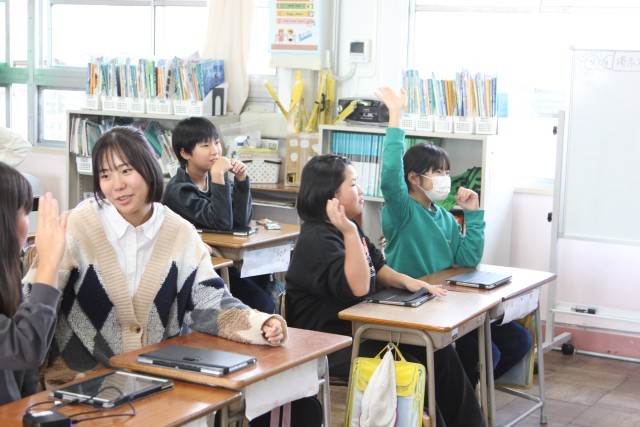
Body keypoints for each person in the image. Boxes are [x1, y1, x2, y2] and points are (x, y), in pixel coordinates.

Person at [23, 126, 286, 387]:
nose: (117, 185)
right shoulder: (76, 227)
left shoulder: (180, 232)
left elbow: (209, 301)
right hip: (79, 383)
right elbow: (30, 304)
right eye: (105, 175)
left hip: (156, 381)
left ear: (149, 169)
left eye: (126, 170)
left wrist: (260, 324)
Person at [285, 154, 485, 427]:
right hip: (330, 342)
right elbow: (359, 286)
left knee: (439, 353)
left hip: (362, 330)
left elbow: (378, 267)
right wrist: (349, 232)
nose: (360, 190)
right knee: (415, 365)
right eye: (353, 184)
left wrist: (410, 282)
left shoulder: (346, 228)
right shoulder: (319, 238)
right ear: (330, 196)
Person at [375, 86, 532, 386]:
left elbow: (468, 258)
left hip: (447, 300)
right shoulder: (402, 210)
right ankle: (458, 396)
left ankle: (468, 391)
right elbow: (391, 173)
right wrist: (396, 114)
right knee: (487, 354)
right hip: (416, 300)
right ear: (414, 178)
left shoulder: (445, 215)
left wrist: (473, 214)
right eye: (437, 172)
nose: (445, 179)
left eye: (447, 172)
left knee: (519, 340)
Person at [162, 117, 274, 314]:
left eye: (216, 142)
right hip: (196, 270)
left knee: (263, 276)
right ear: (185, 153)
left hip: (220, 262)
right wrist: (218, 176)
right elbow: (221, 222)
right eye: (206, 145)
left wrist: (241, 180)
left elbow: (240, 221)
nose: (215, 151)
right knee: (263, 303)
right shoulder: (179, 190)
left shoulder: (213, 178)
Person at [0, 162, 68, 404]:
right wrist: (48, 262)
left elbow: (25, 371)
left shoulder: (7, 273)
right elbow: (24, 347)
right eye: (24, 213)